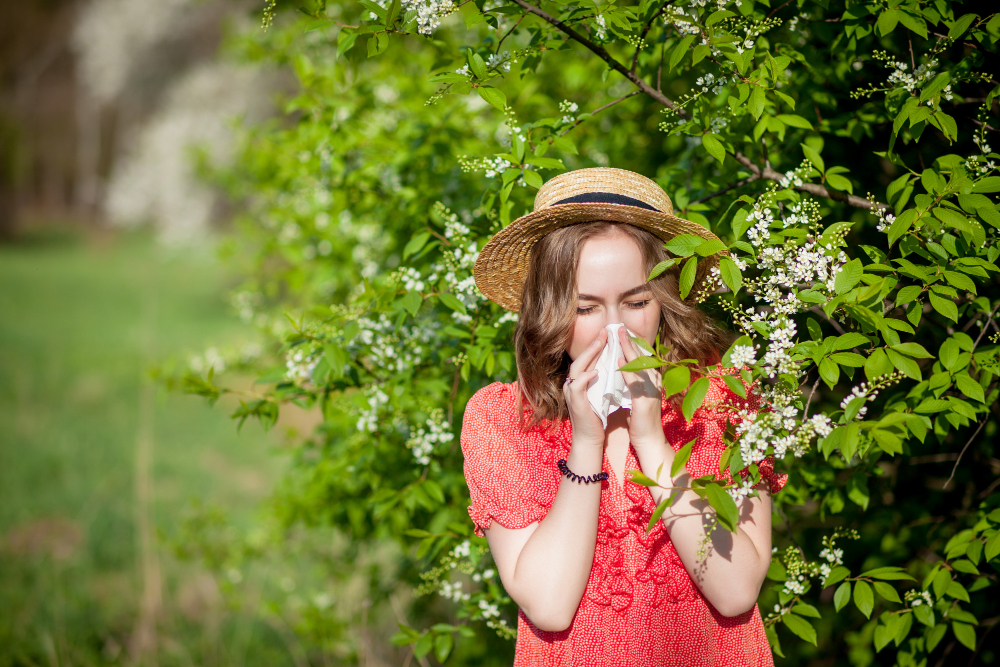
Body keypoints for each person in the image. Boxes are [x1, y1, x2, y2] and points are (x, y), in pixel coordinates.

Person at [461, 168, 787, 666]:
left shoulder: (724, 400)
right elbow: (549, 605)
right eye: (586, 308)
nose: (614, 331)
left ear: (667, 300)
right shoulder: (503, 420)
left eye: (636, 302)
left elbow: (736, 589)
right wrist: (587, 446)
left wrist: (653, 441)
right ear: (551, 310)